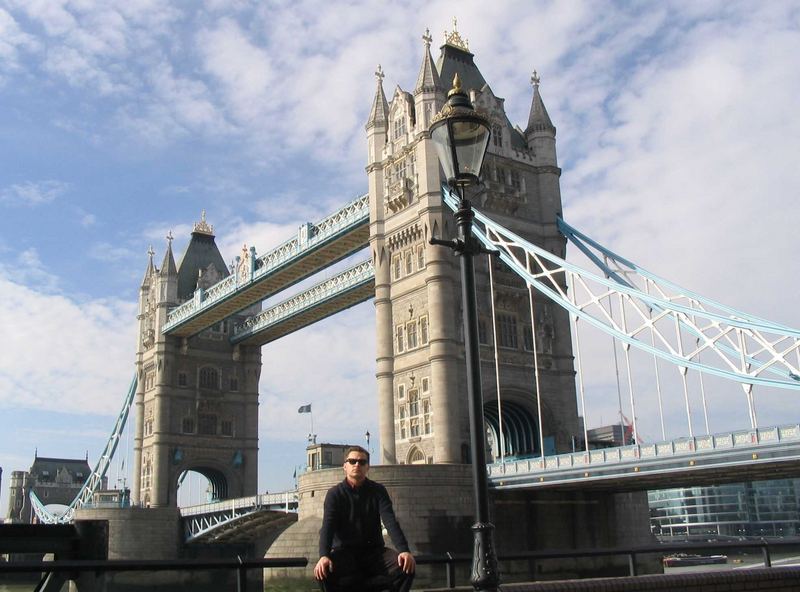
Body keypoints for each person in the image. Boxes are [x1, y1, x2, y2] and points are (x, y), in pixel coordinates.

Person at [314, 446, 416, 591]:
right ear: (345, 466)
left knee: (407, 567)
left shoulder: (378, 491)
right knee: (322, 572)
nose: (357, 465)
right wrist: (323, 555)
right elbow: (327, 527)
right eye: (352, 461)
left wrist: (404, 550)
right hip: (344, 553)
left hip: (374, 553)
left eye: (362, 462)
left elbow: (390, 522)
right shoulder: (335, 494)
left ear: (367, 467)